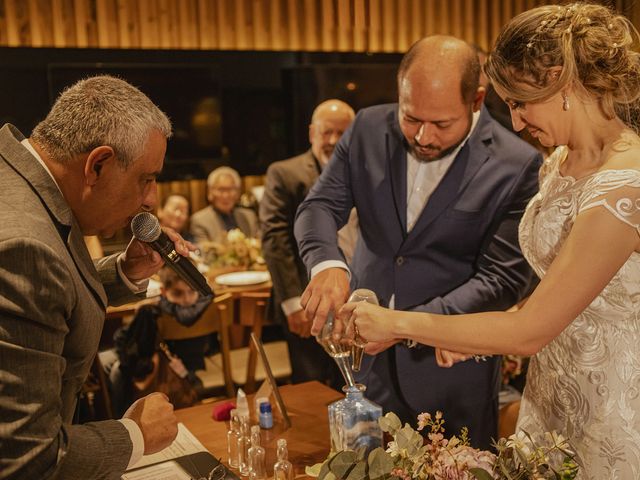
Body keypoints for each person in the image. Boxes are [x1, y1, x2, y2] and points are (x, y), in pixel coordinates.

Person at [342, 3, 640, 477]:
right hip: (550, 394)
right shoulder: (559, 161)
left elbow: (530, 331)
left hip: (611, 405)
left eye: (521, 103)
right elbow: (554, 296)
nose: (517, 123)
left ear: (563, 82)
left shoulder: (624, 185)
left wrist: (398, 324)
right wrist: (472, 335)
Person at [294, 35, 543, 449]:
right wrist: (327, 265)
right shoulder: (368, 127)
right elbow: (319, 205)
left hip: (452, 371)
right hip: (366, 362)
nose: (423, 136)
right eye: (411, 118)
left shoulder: (517, 165)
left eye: (442, 124)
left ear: (477, 100)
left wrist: (402, 326)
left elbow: (501, 280)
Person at [0, 75, 185, 479]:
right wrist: (136, 434)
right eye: (146, 178)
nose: (151, 198)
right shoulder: (23, 247)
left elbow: (52, 286)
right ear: (97, 165)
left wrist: (122, 270)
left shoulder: (20, 183)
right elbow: (29, 458)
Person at [260, 99, 356, 388]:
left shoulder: (364, 172)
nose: (334, 141)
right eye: (327, 132)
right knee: (312, 384)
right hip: (307, 301)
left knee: (354, 384)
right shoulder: (285, 173)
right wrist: (292, 304)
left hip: (356, 300)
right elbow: (275, 240)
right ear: (312, 132)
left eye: (343, 133)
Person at [101, 264, 213, 416]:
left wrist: (160, 302)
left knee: (107, 364)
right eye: (178, 293)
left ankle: (113, 416)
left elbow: (124, 341)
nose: (186, 300)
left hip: (165, 368)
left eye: (191, 291)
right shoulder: (205, 304)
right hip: (183, 365)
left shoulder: (156, 310)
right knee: (107, 361)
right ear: (164, 291)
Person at [190, 166, 259, 245]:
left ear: (238, 192)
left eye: (231, 189)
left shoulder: (249, 216)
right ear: (210, 192)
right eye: (221, 189)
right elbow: (205, 252)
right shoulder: (199, 220)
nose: (226, 195)